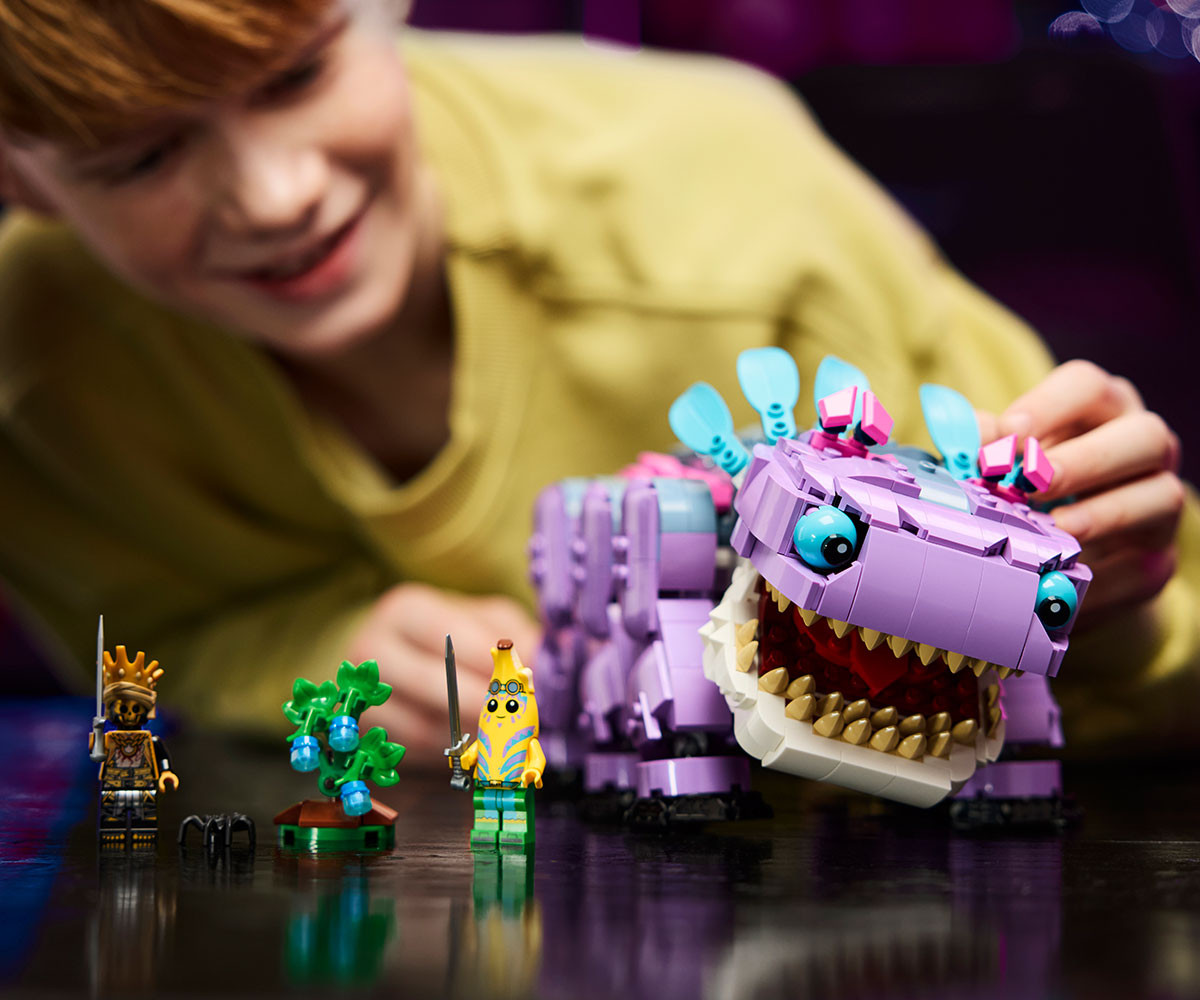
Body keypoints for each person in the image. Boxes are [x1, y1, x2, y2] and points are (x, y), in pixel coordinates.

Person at [0, 0, 1192, 756]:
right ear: (20, 174)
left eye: (293, 76)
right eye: (142, 155)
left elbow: (1153, 622)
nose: (277, 196)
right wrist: (301, 647)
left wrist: (1109, 617)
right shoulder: (34, 376)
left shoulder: (737, 207)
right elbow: (161, 636)